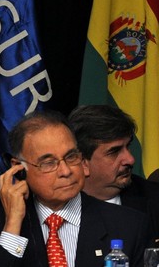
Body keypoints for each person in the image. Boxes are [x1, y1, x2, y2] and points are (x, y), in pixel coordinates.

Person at [0, 110, 153, 267]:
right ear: (19, 168)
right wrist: (13, 224)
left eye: (71, 157)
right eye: (48, 163)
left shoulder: (128, 225)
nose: (66, 171)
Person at [68, 104, 159, 244]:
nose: (130, 159)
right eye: (114, 152)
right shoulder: (56, 204)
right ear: (82, 161)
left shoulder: (153, 199)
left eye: (127, 146)